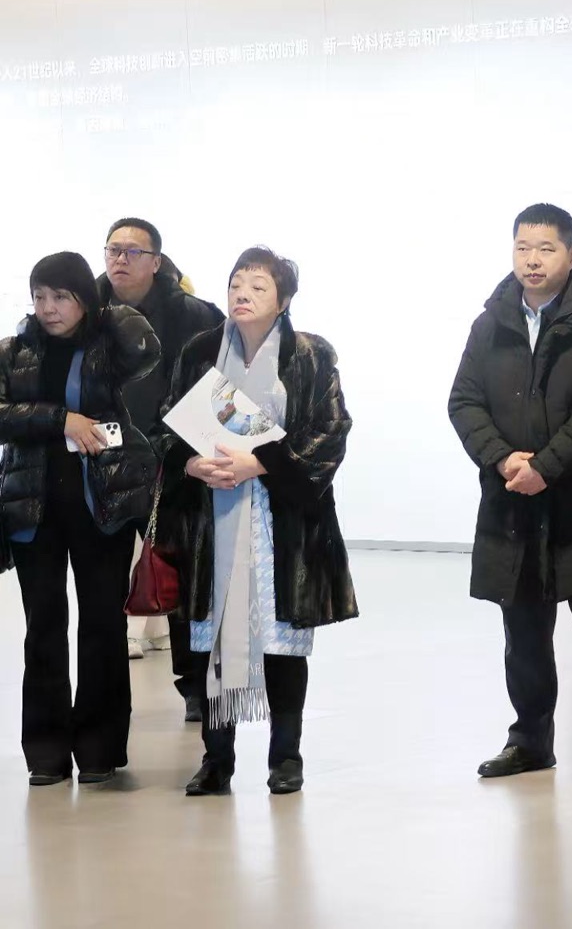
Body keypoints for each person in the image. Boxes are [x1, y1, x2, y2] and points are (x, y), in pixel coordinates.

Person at [156, 247, 357, 797]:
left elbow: (330, 432)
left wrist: (261, 462)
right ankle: (216, 758)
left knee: (282, 642)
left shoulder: (310, 355)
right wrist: (191, 464)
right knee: (211, 641)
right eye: (236, 284)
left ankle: (285, 756)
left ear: (284, 300)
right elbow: (169, 427)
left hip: (280, 520)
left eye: (258, 286)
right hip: (212, 517)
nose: (242, 294)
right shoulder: (201, 351)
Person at [450, 205, 572, 784]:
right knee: (523, 632)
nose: (532, 260)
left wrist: (546, 467)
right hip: (512, 499)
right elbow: (464, 401)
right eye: (522, 248)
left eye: (546, 248)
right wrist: (503, 458)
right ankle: (530, 739)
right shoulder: (491, 322)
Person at [0, 252, 160, 786]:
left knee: (103, 625)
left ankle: (98, 748)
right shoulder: (13, 351)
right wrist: (59, 419)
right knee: (43, 629)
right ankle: (45, 752)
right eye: (40, 297)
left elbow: (148, 353)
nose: (48, 308)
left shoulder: (109, 346)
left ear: (84, 300)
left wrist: (110, 307)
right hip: (34, 509)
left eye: (61, 297)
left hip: (102, 506)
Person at [98, 218, 224, 718]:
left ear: (156, 261)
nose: (120, 259)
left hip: (175, 463)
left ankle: (195, 686)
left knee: (181, 576)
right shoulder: (87, 310)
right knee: (104, 583)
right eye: (113, 249)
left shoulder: (196, 316)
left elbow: (220, 390)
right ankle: (106, 696)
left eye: (132, 251)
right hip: (103, 465)